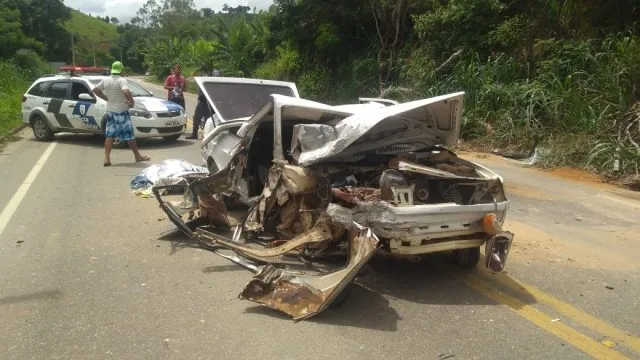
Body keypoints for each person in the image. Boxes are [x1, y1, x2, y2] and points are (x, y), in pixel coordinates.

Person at [93, 61, 150, 167]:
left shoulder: (106, 80)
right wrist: (131, 101)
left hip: (110, 112)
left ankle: (107, 158)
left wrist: (106, 98)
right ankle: (137, 156)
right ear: (121, 70)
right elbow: (125, 91)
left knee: (110, 135)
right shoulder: (121, 80)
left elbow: (96, 90)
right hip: (122, 112)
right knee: (129, 135)